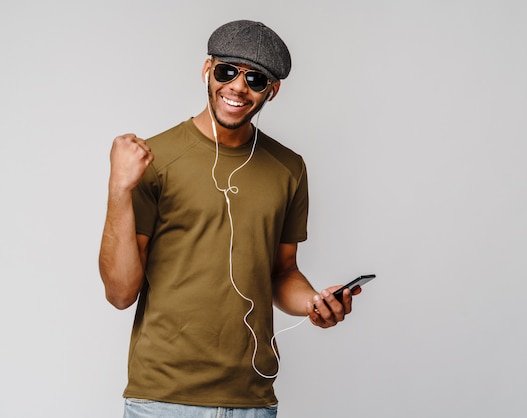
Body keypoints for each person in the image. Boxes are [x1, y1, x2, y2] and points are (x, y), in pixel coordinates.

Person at [98, 19, 361, 418]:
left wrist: (314, 303)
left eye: (255, 79)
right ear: (208, 71)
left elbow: (283, 270)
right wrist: (119, 191)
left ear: (272, 91)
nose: (238, 87)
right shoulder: (154, 159)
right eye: (227, 71)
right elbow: (120, 293)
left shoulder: (288, 168)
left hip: (251, 401)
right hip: (163, 400)